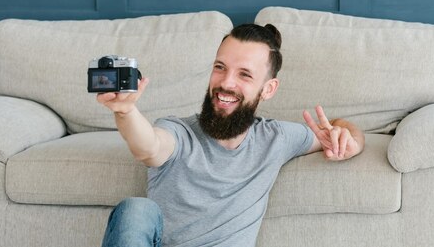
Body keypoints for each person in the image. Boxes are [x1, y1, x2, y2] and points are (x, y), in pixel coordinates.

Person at [97, 23, 365, 247]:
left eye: (245, 74)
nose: (226, 83)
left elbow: (339, 128)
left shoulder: (275, 138)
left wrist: (348, 138)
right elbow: (148, 147)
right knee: (136, 209)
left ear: (268, 89)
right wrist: (125, 112)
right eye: (220, 67)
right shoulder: (179, 132)